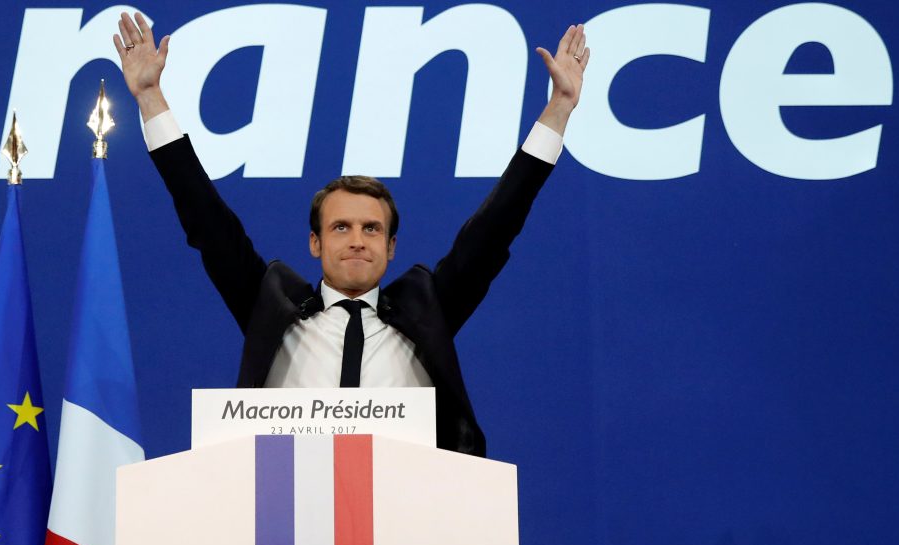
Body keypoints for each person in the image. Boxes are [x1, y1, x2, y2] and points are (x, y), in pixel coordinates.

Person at [113, 12, 588, 456]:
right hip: (288, 521)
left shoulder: (428, 309)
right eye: (340, 227)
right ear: (315, 243)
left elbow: (496, 226)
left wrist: (560, 109)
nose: (357, 239)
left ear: (391, 246)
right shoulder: (270, 305)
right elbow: (205, 219)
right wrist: (151, 98)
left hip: (410, 518)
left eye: (371, 229)